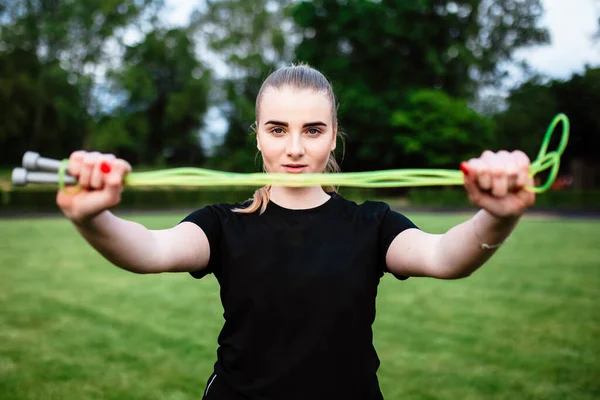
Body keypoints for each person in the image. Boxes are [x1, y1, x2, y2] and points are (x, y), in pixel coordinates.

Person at [56, 64, 535, 400]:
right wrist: (92, 217)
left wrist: (498, 215)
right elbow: (149, 249)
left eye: (312, 130)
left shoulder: (372, 224)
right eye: (278, 129)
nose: (295, 148)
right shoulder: (224, 224)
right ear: (258, 134)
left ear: (333, 134)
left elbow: (444, 257)